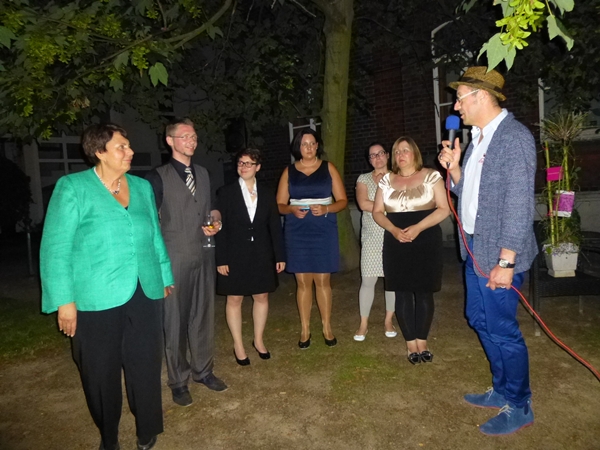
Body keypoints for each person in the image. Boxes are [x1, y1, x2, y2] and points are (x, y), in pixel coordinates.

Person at [40, 123, 174, 450]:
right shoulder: (73, 188)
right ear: (99, 152)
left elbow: (154, 236)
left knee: (145, 362)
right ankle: (109, 436)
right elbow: (56, 248)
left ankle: (147, 427)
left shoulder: (141, 187)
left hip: (144, 290)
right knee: (100, 371)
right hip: (95, 296)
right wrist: (64, 301)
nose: (130, 152)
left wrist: (165, 276)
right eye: (121, 147)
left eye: (128, 146)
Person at [439, 66, 538, 435]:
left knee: (502, 330)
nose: (455, 106)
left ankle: (520, 403)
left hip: (498, 255)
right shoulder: (479, 138)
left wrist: (506, 261)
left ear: (480, 96)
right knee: (479, 320)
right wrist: (455, 171)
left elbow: (518, 205)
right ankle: (501, 389)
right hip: (475, 249)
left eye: (459, 97)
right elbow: (472, 194)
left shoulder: (513, 138)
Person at [146, 118, 227, 408]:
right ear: (170, 141)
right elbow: (150, 220)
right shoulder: (156, 177)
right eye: (184, 136)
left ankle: (203, 371)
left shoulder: (204, 173)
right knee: (175, 320)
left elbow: (212, 208)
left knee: (203, 315)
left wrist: (216, 221)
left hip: (204, 254)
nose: (191, 141)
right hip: (174, 258)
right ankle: (178, 381)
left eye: (193, 136)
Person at [372, 137, 450, 364]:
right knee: (402, 291)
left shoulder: (431, 176)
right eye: (397, 151)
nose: (400, 155)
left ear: (414, 152)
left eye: (405, 150)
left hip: (426, 238)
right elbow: (377, 212)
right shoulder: (386, 180)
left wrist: (418, 227)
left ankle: (422, 341)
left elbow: (443, 209)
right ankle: (410, 343)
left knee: (424, 291)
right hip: (396, 239)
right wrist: (393, 230)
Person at [276, 129, 348, 348]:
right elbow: (279, 205)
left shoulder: (328, 168)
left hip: (323, 228)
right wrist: (291, 209)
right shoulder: (289, 171)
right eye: (304, 144)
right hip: (297, 230)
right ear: (298, 147)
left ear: (317, 145)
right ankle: (305, 329)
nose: (308, 147)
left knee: (323, 280)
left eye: (312, 143)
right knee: (302, 282)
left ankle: (327, 327)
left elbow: (342, 201)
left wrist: (326, 208)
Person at [215, 148, 286, 365]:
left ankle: (258, 340)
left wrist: (279, 255)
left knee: (261, 296)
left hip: (262, 253)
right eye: (241, 163)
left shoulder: (267, 193)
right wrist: (221, 259)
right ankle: (238, 345)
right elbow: (220, 229)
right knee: (234, 299)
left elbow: (274, 225)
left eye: (249, 163)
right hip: (234, 253)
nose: (243, 167)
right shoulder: (225, 193)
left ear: (258, 167)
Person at [354, 143, 397, 341]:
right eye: (373, 155)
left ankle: (388, 320)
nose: (377, 158)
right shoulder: (363, 179)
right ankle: (363, 324)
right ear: (369, 160)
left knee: (392, 281)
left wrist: (383, 195)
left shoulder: (397, 177)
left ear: (387, 155)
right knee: (368, 280)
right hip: (371, 236)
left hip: (392, 233)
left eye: (380, 153)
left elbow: (403, 204)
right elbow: (363, 204)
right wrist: (387, 202)